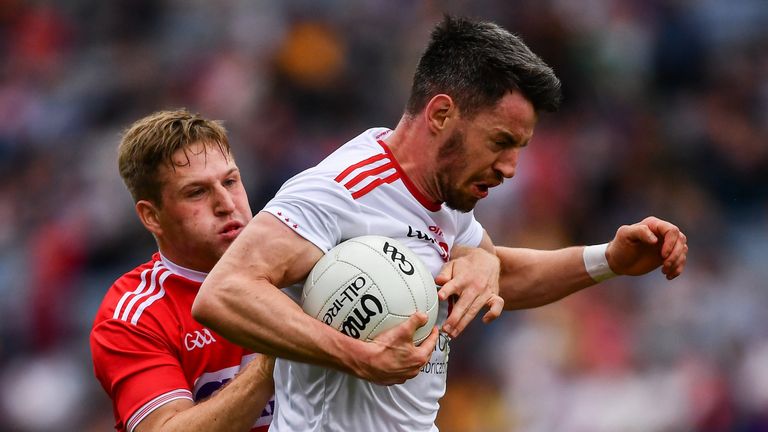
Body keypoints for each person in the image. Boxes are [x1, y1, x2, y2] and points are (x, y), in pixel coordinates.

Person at [192, 16, 688, 431]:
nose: (511, 168)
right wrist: (354, 354)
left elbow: (499, 278)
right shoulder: (342, 189)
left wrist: (610, 260)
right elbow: (224, 293)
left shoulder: (446, 197)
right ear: (441, 113)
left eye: (520, 149)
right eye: (500, 142)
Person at [90, 109, 275, 432]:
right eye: (197, 192)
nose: (226, 203)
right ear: (151, 216)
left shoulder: (303, 260)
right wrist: (276, 359)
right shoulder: (133, 317)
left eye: (230, 181)